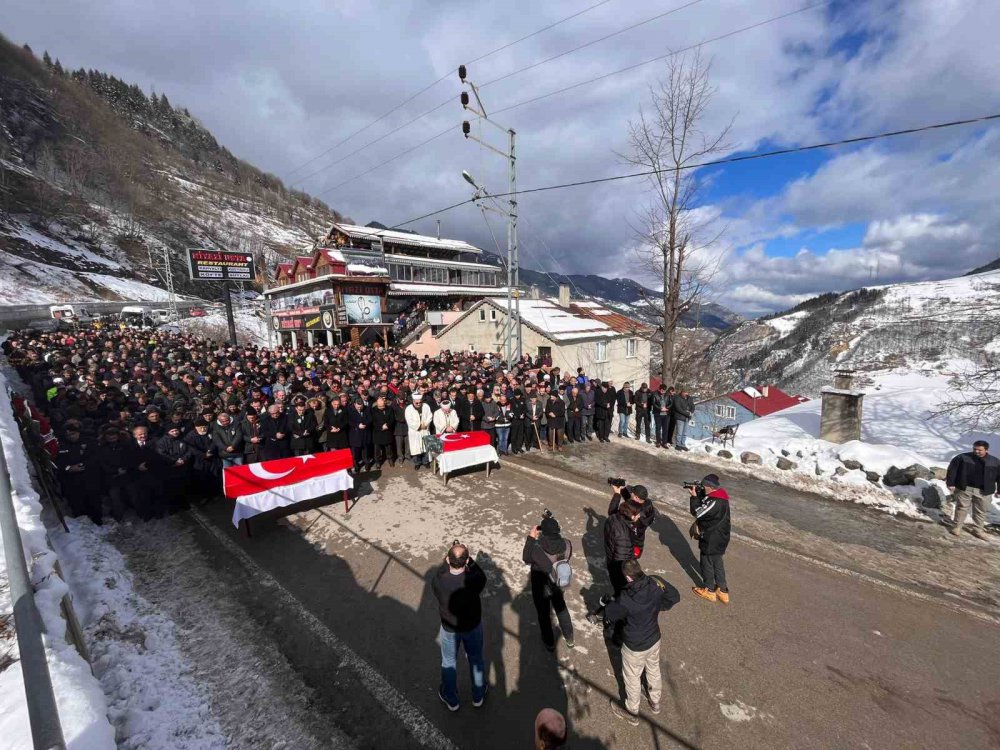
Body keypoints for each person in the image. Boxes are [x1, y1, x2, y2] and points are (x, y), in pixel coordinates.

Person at [604, 559, 680, 725]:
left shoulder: (626, 598)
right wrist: (657, 605)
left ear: (628, 577)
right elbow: (675, 596)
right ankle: (655, 701)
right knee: (653, 669)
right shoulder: (655, 581)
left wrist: (607, 602)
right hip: (654, 638)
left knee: (632, 677)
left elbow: (610, 614)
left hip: (635, 645)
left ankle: (632, 712)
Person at [431, 542, 487, 711]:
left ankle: (451, 698)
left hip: (450, 628)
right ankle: (478, 694)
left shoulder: (439, 581)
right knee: (475, 659)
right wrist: (470, 561)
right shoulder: (474, 580)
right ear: (466, 561)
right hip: (472, 627)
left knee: (449, 662)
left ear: (448, 560)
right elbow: (481, 575)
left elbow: (441, 570)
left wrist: (447, 560)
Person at [522, 514, 574, 652]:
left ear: (543, 532)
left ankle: (549, 642)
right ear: (558, 530)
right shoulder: (568, 544)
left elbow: (526, 558)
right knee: (561, 608)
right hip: (559, 582)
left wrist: (531, 537)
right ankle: (569, 638)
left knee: (544, 614)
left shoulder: (537, 548)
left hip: (541, 586)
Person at [689, 474, 732, 603]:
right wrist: (699, 494)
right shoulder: (720, 496)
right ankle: (722, 591)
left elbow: (698, 512)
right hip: (721, 536)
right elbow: (706, 505)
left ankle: (709, 590)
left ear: (711, 487)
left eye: (704, 486)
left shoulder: (715, 501)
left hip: (712, 537)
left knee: (706, 562)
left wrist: (694, 497)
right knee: (717, 562)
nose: (703, 487)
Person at [945, 440, 999, 540]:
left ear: (986, 450)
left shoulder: (995, 461)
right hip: (965, 488)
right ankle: (957, 527)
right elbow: (952, 470)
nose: (976, 451)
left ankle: (978, 530)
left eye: (979, 450)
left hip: (984, 491)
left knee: (981, 511)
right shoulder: (962, 458)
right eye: (975, 449)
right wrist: (950, 483)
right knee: (961, 508)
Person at [609, 483, 656, 558]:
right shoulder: (649, 509)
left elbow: (612, 513)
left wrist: (617, 494)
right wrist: (622, 489)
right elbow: (633, 504)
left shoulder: (631, 514)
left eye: (632, 493)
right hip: (638, 546)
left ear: (636, 497)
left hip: (624, 546)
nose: (630, 493)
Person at [604, 499, 640, 594]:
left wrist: (617, 495)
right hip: (618, 567)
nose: (639, 516)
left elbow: (611, 510)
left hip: (611, 556)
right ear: (631, 515)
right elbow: (621, 560)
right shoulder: (623, 536)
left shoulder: (614, 517)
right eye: (638, 514)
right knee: (621, 590)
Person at [405, 392, 433, 470]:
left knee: (425, 447)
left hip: (424, 430)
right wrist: (419, 426)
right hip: (415, 432)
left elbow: (430, 416)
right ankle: (417, 463)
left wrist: (426, 424)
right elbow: (409, 421)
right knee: (416, 448)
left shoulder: (426, 406)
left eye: (420, 402)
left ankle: (425, 462)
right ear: (413, 401)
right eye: (416, 403)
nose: (418, 404)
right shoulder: (408, 409)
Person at [348, 397, 373, 472]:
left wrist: (365, 424)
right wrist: (357, 425)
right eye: (358, 407)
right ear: (354, 404)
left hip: (365, 433)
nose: (359, 408)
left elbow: (370, 419)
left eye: (360, 407)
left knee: (365, 452)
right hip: (355, 435)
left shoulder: (367, 409)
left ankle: (367, 465)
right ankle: (356, 466)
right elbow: (349, 421)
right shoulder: (350, 410)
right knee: (355, 453)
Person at [370, 395, 394, 468]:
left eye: (383, 406)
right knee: (377, 449)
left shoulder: (389, 409)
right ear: (377, 404)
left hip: (387, 431)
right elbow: (373, 422)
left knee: (388, 447)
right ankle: (378, 461)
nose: (382, 407)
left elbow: (392, 419)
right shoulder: (373, 410)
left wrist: (387, 425)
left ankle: (390, 459)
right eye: (380, 406)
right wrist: (381, 427)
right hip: (378, 432)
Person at [391, 393, 409, 466]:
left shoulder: (407, 405)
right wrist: (401, 419)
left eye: (403, 399)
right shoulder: (394, 406)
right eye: (401, 399)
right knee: (399, 444)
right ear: (397, 398)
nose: (402, 400)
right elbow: (393, 416)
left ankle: (407, 455)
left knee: (407, 443)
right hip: (398, 427)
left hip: (406, 426)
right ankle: (400, 457)